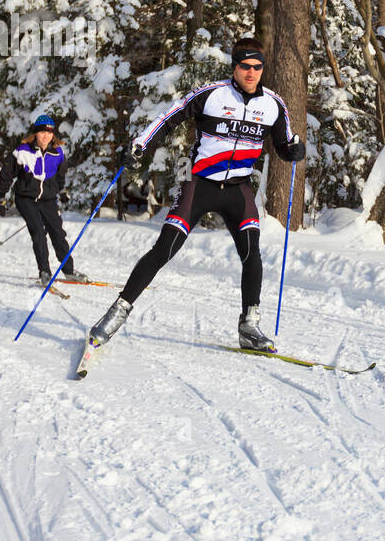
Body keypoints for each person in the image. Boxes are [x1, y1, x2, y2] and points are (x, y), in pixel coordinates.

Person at [89, 38, 305, 351]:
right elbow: (168, 117)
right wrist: (140, 146)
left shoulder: (273, 104)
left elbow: (286, 145)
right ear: (235, 66)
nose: (251, 72)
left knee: (252, 254)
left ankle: (249, 325)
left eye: (257, 67)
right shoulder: (212, 94)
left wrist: (294, 150)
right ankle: (116, 313)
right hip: (201, 186)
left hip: (239, 191)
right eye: (245, 66)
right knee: (164, 249)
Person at [0, 114, 91, 286]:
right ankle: (45, 272)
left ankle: (68, 271)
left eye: (49, 133)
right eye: (42, 132)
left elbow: (60, 177)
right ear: (35, 134)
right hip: (26, 198)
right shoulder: (22, 151)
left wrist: (61, 191)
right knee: (38, 231)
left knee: (58, 233)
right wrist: (1, 196)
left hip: (47, 199)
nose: (45, 136)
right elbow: (7, 174)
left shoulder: (58, 153)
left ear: (53, 134)